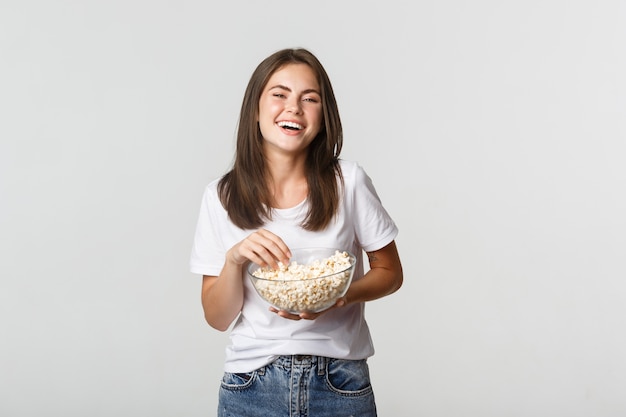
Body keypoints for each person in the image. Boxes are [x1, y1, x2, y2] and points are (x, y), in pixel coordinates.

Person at [189, 47, 403, 417]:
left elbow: (391, 273)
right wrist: (234, 259)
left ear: (324, 116)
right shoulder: (220, 196)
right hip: (251, 384)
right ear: (255, 109)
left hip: (340, 382)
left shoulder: (348, 182)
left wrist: (340, 297)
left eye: (310, 98)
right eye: (279, 94)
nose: (294, 108)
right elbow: (217, 317)